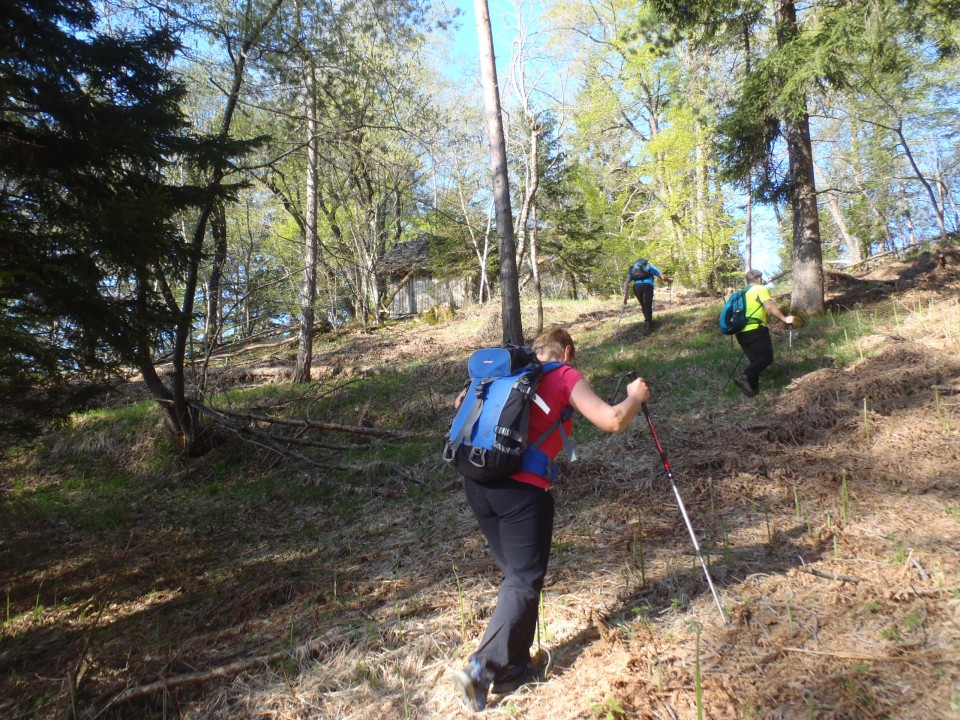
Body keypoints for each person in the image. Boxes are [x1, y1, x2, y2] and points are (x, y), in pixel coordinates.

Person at [452, 326, 650, 712]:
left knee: (518, 580)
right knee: (524, 581)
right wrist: (634, 398)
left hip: (478, 484)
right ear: (568, 351)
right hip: (523, 492)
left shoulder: (502, 375)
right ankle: (480, 669)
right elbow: (611, 421)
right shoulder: (563, 375)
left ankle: (513, 668)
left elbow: (461, 403)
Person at [733, 269, 794, 397]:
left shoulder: (741, 293)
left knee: (755, 361)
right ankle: (745, 377)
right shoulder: (760, 289)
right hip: (755, 328)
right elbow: (769, 306)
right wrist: (785, 319)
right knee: (766, 358)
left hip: (740, 332)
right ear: (759, 279)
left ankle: (753, 391)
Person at [622, 257, 672, 331]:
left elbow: (626, 282)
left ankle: (647, 321)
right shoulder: (650, 267)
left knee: (643, 305)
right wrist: (670, 280)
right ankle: (649, 323)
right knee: (648, 305)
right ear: (645, 262)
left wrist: (626, 293)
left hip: (636, 287)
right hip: (647, 286)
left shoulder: (634, 269)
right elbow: (663, 277)